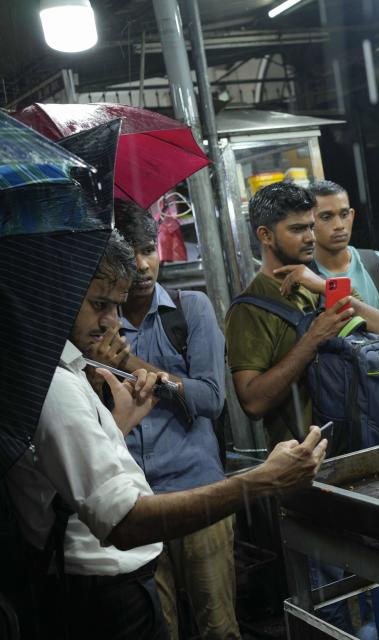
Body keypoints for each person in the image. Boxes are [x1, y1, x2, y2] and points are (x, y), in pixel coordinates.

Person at [3, 230, 328, 640]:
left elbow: (209, 398)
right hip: (104, 594)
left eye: (115, 307)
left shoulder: (74, 367)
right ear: (56, 291)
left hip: (122, 567)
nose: (110, 322)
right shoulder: (57, 384)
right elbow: (123, 522)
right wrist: (261, 480)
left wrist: (121, 424)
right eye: (98, 304)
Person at [90, 203, 237, 639]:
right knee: (159, 630)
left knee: (220, 628)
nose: (141, 264)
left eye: (149, 249)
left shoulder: (190, 310)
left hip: (198, 493)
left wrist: (131, 363)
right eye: (129, 254)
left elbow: (211, 398)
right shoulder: (93, 329)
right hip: (136, 504)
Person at [225, 182, 379, 447]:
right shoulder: (249, 308)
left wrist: (322, 285)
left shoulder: (314, 283)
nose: (310, 237)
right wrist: (313, 339)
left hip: (355, 443)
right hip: (304, 459)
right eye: (297, 229)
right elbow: (252, 401)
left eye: (310, 226)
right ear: (265, 235)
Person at [296, 179, 379, 351]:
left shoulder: (377, 263)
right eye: (326, 217)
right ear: (309, 222)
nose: (339, 225)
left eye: (344, 214)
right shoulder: (302, 276)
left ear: (352, 215)